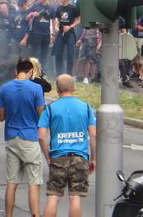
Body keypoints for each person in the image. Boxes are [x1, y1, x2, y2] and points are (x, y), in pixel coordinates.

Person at [38, 74, 96, 217]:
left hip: (58, 157)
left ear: (57, 89)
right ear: (74, 88)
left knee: (54, 196)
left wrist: (48, 157)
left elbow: (41, 136)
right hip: (80, 157)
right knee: (75, 197)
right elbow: (94, 135)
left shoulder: (50, 109)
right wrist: (93, 158)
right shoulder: (86, 108)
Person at [0, 59, 45, 217]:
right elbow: (41, 115)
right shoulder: (36, 88)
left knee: (12, 182)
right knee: (33, 182)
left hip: (11, 137)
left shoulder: (4, 88)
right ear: (31, 71)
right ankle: (35, 215)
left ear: (16, 71)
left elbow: (1, 116)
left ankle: (8, 215)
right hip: (30, 138)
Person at [24, 0, 53, 70]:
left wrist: (52, 34)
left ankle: (41, 71)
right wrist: (31, 14)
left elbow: (52, 18)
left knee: (44, 55)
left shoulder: (50, 8)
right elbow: (26, 18)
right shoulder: (35, 6)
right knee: (35, 54)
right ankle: (33, 70)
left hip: (46, 34)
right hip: (36, 33)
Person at [53, 0, 80, 76]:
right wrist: (55, 26)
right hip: (61, 33)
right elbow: (56, 18)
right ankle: (59, 74)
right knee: (58, 54)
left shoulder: (73, 8)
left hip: (70, 33)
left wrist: (70, 26)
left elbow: (79, 19)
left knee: (70, 54)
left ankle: (69, 74)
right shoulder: (59, 8)